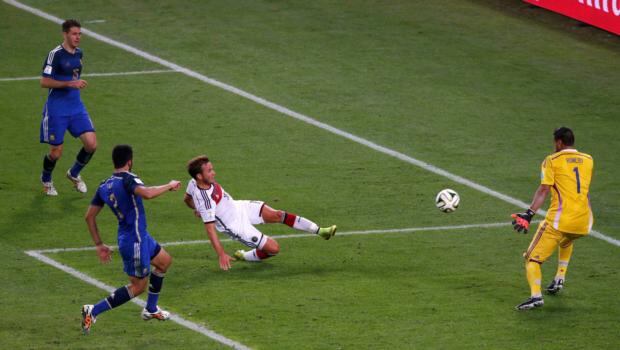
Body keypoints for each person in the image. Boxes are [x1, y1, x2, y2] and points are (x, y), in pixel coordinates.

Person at [81, 145, 181, 334]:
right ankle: (93, 310)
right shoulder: (128, 179)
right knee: (138, 287)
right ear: (129, 161)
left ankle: (151, 309)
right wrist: (169, 185)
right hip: (135, 241)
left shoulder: (104, 185)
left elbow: (89, 216)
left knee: (164, 262)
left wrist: (98, 244)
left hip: (138, 236)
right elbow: (148, 193)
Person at [183, 155, 337, 270]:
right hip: (236, 225)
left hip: (239, 207)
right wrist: (221, 254)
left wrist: (197, 209)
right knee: (273, 249)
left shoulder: (193, 183)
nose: (214, 173)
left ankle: (320, 231)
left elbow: (187, 199)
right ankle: (245, 255)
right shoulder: (206, 200)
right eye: (209, 171)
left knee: (278, 214)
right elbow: (210, 229)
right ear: (199, 176)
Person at [511, 127, 594, 310]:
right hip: (584, 222)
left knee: (531, 259)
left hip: (559, 221)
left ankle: (536, 296)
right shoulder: (588, 160)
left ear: (558, 142)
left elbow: (544, 189)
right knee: (566, 241)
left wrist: (529, 213)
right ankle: (559, 278)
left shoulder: (552, 160)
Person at [40, 19, 97, 196]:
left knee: (91, 144)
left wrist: (73, 85)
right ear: (65, 34)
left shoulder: (79, 54)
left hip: (76, 107)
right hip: (57, 109)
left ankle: (73, 173)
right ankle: (46, 179)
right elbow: (44, 82)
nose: (77, 37)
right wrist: (70, 84)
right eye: (74, 33)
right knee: (56, 152)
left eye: (79, 34)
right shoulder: (55, 54)